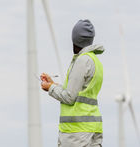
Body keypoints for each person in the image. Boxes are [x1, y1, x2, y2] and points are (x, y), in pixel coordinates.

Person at [40, 19, 104, 147]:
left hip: (76, 131)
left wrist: (50, 88)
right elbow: (79, 92)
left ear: (75, 40)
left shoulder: (82, 61)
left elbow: (70, 97)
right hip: (93, 127)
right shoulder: (95, 61)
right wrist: (54, 84)